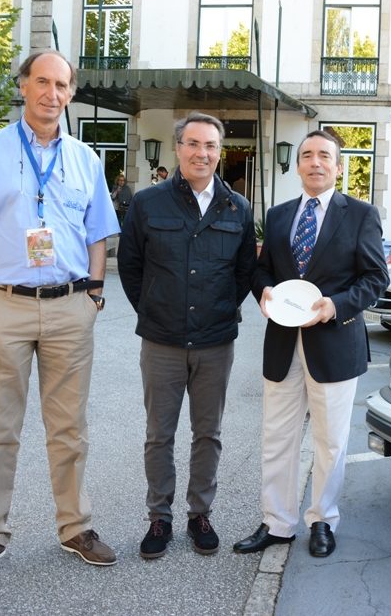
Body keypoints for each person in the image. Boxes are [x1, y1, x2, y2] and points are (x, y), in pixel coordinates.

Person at [0, 50, 121, 582]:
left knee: (69, 428)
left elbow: (98, 234)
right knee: (1, 429)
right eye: (41, 82)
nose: (51, 93)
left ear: (71, 93)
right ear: (22, 86)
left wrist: (92, 297)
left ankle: (75, 527)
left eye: (61, 85)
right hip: (7, 306)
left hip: (70, 308)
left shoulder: (87, 160)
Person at [233, 130, 388, 558]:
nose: (315, 162)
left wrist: (334, 306)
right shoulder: (280, 215)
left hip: (335, 343)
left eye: (325, 156)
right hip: (283, 343)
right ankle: (277, 523)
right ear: (298, 165)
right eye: (307, 155)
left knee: (331, 441)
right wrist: (262, 291)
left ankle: (322, 519)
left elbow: (376, 279)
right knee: (277, 436)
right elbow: (261, 271)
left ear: (339, 167)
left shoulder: (360, 214)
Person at [117, 112, 256, 559]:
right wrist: (156, 309)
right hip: (162, 342)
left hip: (216, 342)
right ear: (178, 148)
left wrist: (217, 313)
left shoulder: (237, 207)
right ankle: (159, 516)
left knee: (208, 433)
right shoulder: (148, 203)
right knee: (159, 434)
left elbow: (242, 275)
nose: (203, 153)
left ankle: (200, 513)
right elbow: (131, 266)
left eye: (211, 145)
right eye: (194, 144)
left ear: (221, 151)